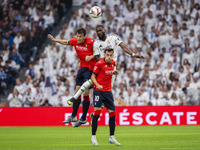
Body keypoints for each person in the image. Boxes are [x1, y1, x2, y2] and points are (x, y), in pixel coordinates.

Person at [67, 25, 144, 105]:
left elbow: (124, 47)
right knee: (90, 81)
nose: (99, 32)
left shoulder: (113, 38)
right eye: (97, 31)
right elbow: (96, 56)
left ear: (104, 30)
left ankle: (96, 111)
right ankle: (75, 97)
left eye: (100, 30)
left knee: (107, 90)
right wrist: (102, 65)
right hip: (101, 67)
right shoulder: (96, 43)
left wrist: (133, 55)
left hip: (111, 69)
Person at [48, 28, 96, 127]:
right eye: (77, 36)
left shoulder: (91, 42)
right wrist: (55, 40)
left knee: (86, 93)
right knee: (77, 93)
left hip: (90, 69)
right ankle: (73, 116)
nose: (78, 38)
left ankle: (83, 118)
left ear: (84, 36)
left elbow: (99, 52)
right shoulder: (74, 41)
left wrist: (91, 57)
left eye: (80, 36)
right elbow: (66, 42)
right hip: (82, 69)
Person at [90, 48, 121, 146]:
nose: (109, 57)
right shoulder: (99, 63)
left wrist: (114, 72)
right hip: (98, 91)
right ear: (104, 54)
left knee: (113, 114)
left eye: (110, 55)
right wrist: (97, 85)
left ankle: (112, 137)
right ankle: (93, 137)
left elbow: (108, 72)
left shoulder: (112, 63)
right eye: (107, 55)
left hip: (108, 92)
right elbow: (92, 77)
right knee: (97, 113)